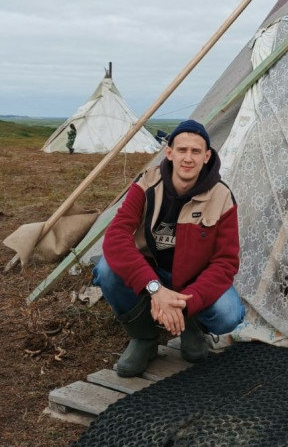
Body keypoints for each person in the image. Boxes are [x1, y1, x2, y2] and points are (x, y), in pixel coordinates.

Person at [93, 119, 245, 377]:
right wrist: (155, 289)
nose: (188, 158)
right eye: (182, 150)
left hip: (193, 281)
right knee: (106, 269)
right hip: (152, 272)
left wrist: (184, 304)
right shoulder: (146, 184)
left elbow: (225, 262)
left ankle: (191, 324)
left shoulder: (222, 197)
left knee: (229, 313)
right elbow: (116, 236)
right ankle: (144, 337)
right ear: (170, 153)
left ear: (207, 156)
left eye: (196, 151)